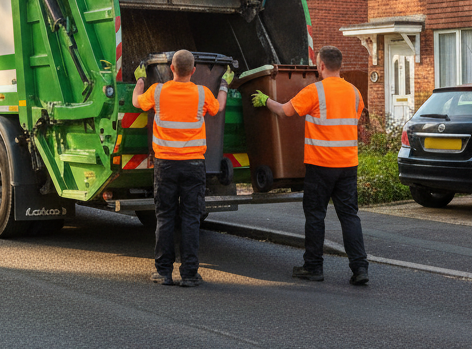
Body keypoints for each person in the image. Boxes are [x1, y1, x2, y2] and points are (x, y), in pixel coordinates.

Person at [252, 45, 368, 286]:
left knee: (316, 216)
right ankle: (360, 268)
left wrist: (265, 100)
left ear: (321, 65)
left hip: (320, 165)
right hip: (348, 165)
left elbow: (285, 112)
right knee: (349, 217)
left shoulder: (315, 91)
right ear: (340, 65)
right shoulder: (355, 92)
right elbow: (351, 121)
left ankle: (313, 267)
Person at [132, 49, 231, 287]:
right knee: (190, 218)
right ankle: (189, 274)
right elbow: (218, 108)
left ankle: (163, 272)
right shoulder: (202, 93)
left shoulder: (157, 91)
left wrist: (140, 79)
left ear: (171, 69)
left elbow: (137, 102)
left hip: (165, 165)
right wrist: (225, 84)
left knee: (165, 218)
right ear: (194, 71)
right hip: (194, 165)